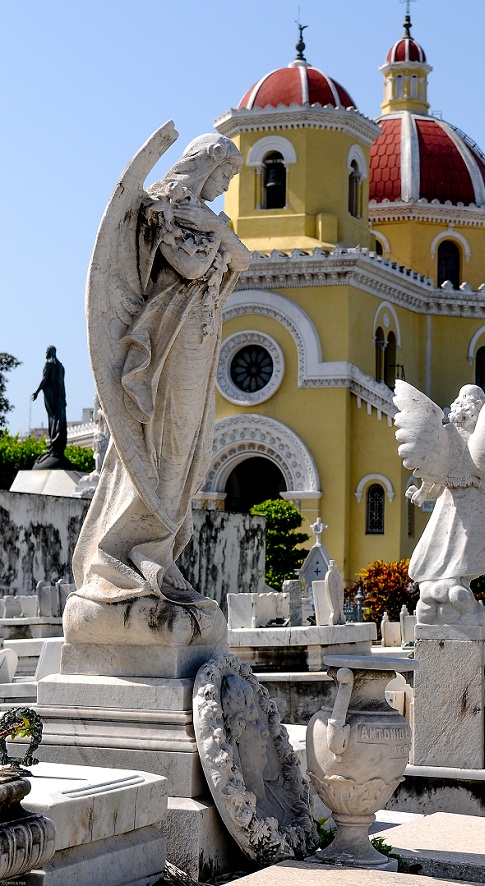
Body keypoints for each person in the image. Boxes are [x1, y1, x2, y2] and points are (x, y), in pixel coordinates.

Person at [72, 130, 250, 605]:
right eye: (225, 175)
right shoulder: (162, 209)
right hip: (169, 340)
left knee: (193, 449)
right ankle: (136, 550)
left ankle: (161, 550)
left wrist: (217, 230)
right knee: (166, 443)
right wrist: (218, 232)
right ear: (206, 164)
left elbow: (242, 259)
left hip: (200, 338)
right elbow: (190, 266)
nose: (226, 187)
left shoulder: (206, 217)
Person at [393, 376, 485, 625]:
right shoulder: (464, 434)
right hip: (467, 498)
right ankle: (451, 585)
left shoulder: (447, 433)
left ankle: (447, 585)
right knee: (457, 541)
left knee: (450, 540)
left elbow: (435, 472)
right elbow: (447, 473)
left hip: (457, 497)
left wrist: (423, 491)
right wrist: (424, 491)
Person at [31, 346, 71, 469]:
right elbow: (63, 385)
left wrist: (37, 392)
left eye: (47, 352)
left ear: (49, 352)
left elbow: (44, 379)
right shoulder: (61, 366)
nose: (46, 354)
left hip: (51, 396)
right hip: (60, 397)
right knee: (59, 418)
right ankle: (56, 445)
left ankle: (54, 445)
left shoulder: (49, 364)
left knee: (53, 419)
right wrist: (64, 398)